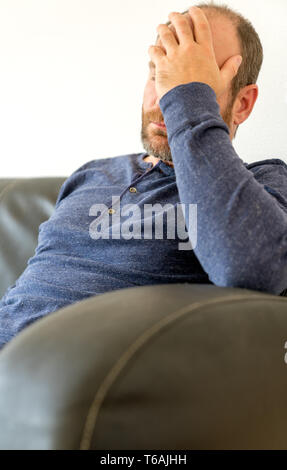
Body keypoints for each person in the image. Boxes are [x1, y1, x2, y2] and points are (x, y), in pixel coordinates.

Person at [0, 2, 287, 350]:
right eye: (159, 72)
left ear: (242, 104)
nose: (165, 96)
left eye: (192, 78)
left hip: (65, 383)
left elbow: (251, 270)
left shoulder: (263, 186)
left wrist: (189, 101)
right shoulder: (91, 174)